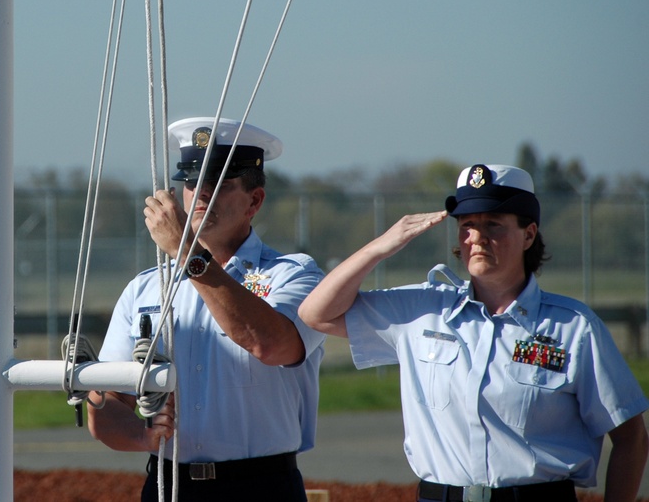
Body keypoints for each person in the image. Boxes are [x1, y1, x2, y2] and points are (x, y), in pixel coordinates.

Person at [298, 163, 649, 502]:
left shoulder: (573, 327)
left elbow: (631, 436)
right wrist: (380, 247)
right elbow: (317, 314)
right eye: (466, 226)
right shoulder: (423, 311)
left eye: (493, 225)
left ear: (528, 234)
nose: (477, 238)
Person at [86, 117, 326, 502]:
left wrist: (188, 255)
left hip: (260, 487)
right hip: (168, 485)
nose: (201, 195)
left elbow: (269, 344)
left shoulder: (294, 275)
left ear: (255, 200)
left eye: (221, 186)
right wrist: (141, 435)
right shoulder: (145, 287)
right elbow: (108, 402)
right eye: (193, 183)